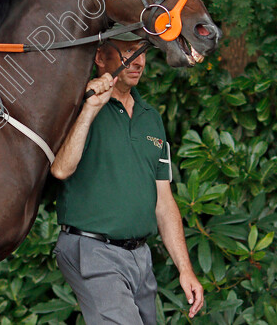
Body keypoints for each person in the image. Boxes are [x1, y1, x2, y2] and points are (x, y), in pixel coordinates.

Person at [50, 27, 204, 324]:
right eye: (128, 51)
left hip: (140, 257)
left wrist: (185, 269)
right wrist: (90, 108)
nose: (138, 61)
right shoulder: (76, 106)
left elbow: (164, 201)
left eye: (142, 52)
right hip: (92, 248)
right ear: (100, 56)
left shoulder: (151, 118)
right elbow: (61, 169)